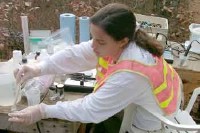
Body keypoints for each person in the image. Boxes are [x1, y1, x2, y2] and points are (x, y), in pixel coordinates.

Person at [8, 3, 182, 133]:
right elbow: (78, 54)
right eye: (93, 38)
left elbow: (91, 110)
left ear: (122, 41)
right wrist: (39, 68)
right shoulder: (125, 38)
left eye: (100, 41)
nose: (93, 46)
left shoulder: (132, 73)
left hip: (152, 123)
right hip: (147, 100)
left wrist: (43, 110)